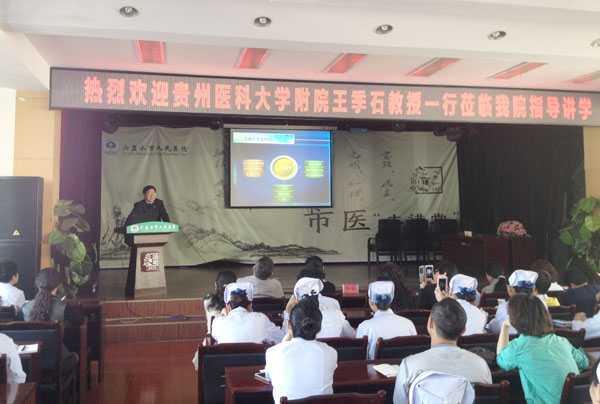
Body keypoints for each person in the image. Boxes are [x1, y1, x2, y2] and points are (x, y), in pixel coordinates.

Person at [392, 298, 492, 404]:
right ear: (463, 331)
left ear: (431, 323)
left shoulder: (410, 366)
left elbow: (398, 402)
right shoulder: (481, 366)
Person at [496, 294, 589, 403]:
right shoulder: (561, 341)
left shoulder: (519, 347)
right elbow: (584, 363)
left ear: (514, 320)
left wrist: (504, 326)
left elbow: (501, 359)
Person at [265, 298, 337, 403]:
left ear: (289, 325)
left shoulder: (273, 353)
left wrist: (285, 341)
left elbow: (268, 377)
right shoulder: (330, 352)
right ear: (319, 328)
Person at [22, 268, 84, 375]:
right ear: (58, 286)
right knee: (76, 355)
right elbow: (79, 320)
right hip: (58, 363)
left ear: (37, 285)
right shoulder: (63, 307)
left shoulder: (25, 307)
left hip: (30, 363)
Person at [124, 185, 170, 296]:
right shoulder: (139, 205)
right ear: (144, 195)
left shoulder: (159, 203)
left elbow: (164, 215)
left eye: (154, 193)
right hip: (141, 235)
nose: (152, 195)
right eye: (150, 193)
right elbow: (131, 219)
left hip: (155, 234)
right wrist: (126, 228)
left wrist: (169, 225)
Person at [356, 281, 416, 359]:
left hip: (375, 367)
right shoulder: (408, 324)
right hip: (405, 366)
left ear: (371, 302)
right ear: (391, 300)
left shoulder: (365, 326)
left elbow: (360, 357)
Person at [210, 282, 284, 344]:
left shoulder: (217, 322)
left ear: (228, 307)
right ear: (250, 306)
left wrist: (222, 317)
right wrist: (286, 313)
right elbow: (282, 338)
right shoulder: (260, 319)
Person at [284, 277, 355, 338]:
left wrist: (287, 310)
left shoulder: (294, 319)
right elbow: (352, 335)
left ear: (296, 300)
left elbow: (284, 337)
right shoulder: (336, 314)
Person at [486, 269, 538, 334]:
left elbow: (495, 328)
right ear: (533, 289)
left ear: (510, 289)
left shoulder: (504, 307)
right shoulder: (541, 305)